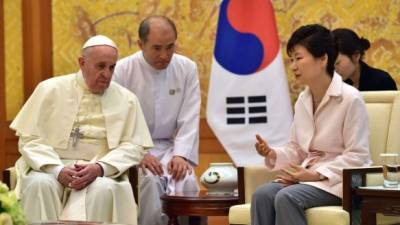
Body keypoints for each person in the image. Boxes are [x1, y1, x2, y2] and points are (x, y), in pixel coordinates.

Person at [10, 35, 153, 225]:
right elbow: (30, 139)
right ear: (82, 62)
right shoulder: (49, 89)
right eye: (100, 66)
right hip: (49, 166)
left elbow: (134, 146)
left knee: (103, 190)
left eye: (112, 67)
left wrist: (100, 168)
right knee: (39, 185)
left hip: (102, 170)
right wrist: (56, 169)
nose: (107, 74)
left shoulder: (127, 99)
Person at [251, 24, 371, 225]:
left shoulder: (351, 99)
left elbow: (357, 156)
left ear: (323, 59)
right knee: (262, 195)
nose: (293, 66)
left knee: (287, 197)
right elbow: (297, 149)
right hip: (309, 176)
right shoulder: (303, 100)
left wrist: (314, 175)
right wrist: (272, 153)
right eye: (291, 60)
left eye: (298, 58)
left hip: (340, 180)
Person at [113, 16, 201, 225]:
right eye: (157, 48)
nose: (164, 55)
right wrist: (138, 153)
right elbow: (117, 121)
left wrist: (181, 155)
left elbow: (190, 116)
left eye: (170, 47)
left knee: (186, 180)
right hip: (136, 149)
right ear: (140, 44)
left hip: (171, 148)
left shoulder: (186, 68)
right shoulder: (122, 70)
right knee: (150, 182)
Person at [333, 28, 397, 91]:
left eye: (337, 63)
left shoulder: (382, 81)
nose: (334, 69)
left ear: (356, 56)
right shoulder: (335, 84)